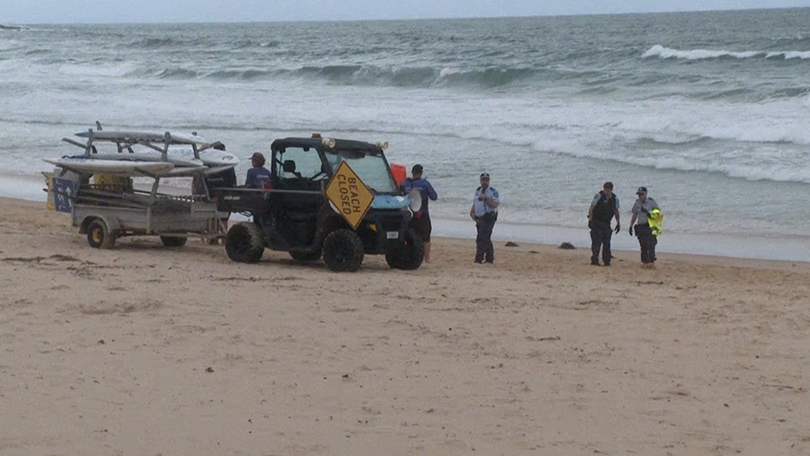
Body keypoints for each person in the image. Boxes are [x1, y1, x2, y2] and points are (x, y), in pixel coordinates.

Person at [402, 164, 438, 263]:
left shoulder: (405, 183)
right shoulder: (425, 184)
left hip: (408, 213)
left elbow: (400, 196)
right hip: (422, 213)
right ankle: (427, 259)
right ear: (421, 173)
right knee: (426, 237)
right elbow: (434, 197)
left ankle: (409, 255)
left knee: (408, 235)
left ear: (412, 172)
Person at [469, 172, 501, 264]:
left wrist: (486, 199)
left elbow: (495, 205)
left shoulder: (493, 191)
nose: (484, 182)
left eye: (486, 180)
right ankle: (488, 258)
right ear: (480, 181)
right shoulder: (478, 190)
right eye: (483, 180)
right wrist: (472, 212)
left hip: (488, 217)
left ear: (489, 181)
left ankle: (480, 258)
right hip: (479, 218)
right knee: (484, 238)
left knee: (482, 238)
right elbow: (476, 202)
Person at [588, 181, 621, 266]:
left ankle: (607, 261)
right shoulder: (599, 196)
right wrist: (590, 219)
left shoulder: (615, 199)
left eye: (608, 190)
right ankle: (594, 259)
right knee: (596, 242)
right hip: (597, 221)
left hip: (606, 223)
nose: (606, 191)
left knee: (607, 242)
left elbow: (616, 211)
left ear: (611, 190)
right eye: (605, 189)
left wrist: (618, 223)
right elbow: (592, 207)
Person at [628, 186, 660, 268]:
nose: (640, 196)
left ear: (645, 194)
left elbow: (658, 215)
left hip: (649, 226)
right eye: (639, 194)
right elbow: (634, 215)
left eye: (641, 194)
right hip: (641, 226)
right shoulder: (637, 203)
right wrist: (631, 225)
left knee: (651, 244)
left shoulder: (651, 203)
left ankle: (651, 262)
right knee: (643, 245)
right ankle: (644, 262)